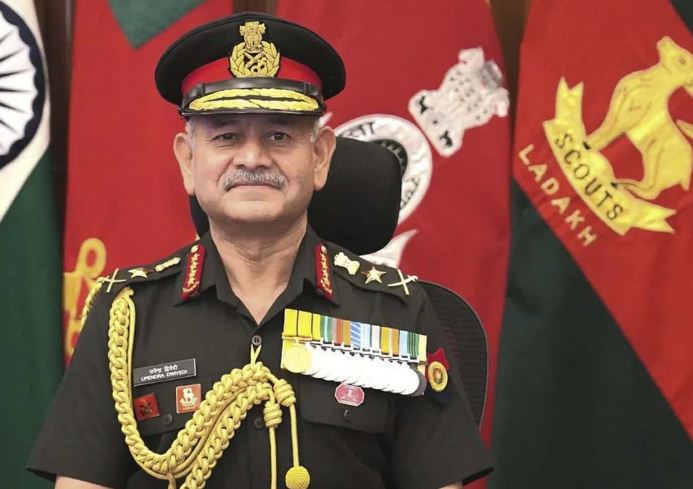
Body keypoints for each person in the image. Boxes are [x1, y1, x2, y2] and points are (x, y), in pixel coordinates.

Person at [28, 12, 492, 489]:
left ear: (320, 156)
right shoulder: (126, 316)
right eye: (226, 136)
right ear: (188, 160)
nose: (252, 158)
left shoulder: (394, 311)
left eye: (279, 135)